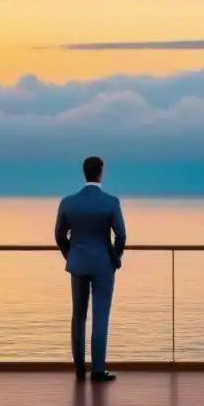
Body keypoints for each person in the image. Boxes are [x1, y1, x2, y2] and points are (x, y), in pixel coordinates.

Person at [55, 156, 126, 383]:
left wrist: (71, 254)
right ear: (101, 173)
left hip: (78, 263)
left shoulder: (68, 202)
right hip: (103, 265)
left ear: (84, 172)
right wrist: (114, 258)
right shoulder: (111, 202)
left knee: (78, 315)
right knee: (100, 316)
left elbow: (59, 235)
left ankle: (78, 368)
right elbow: (121, 235)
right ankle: (97, 369)